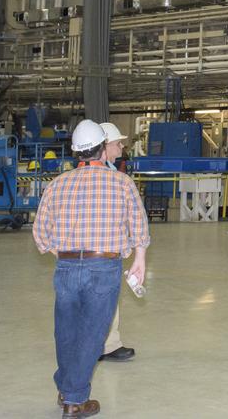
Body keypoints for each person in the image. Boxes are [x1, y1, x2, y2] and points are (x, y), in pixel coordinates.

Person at [33, 120, 150, 418]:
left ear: (76, 153)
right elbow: (138, 226)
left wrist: (66, 253)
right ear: (101, 149)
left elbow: (41, 233)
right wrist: (139, 260)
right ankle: (74, 399)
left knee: (66, 332)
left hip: (67, 267)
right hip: (105, 265)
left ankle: (66, 385)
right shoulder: (122, 183)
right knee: (92, 334)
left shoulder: (58, 183)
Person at [97, 121, 135, 363]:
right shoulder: (110, 176)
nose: (122, 146)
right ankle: (105, 345)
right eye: (118, 142)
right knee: (105, 297)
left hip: (102, 246)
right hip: (104, 247)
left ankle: (104, 343)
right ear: (106, 145)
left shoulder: (111, 171)